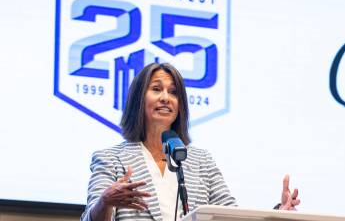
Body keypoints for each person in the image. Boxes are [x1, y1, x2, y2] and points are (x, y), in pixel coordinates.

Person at [80, 63, 300, 221]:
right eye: (156, 89)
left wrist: (279, 213)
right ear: (139, 99)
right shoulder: (110, 159)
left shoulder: (201, 161)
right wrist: (105, 201)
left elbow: (231, 216)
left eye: (173, 92)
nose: (165, 97)